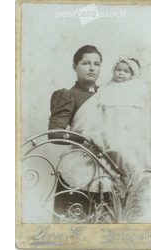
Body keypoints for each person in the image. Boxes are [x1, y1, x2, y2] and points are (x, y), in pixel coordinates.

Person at [70, 56, 151, 222]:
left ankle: (130, 200)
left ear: (132, 75)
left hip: (126, 131)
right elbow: (97, 111)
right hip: (108, 129)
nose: (121, 73)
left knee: (128, 162)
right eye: (118, 70)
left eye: (126, 71)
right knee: (109, 161)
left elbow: (138, 117)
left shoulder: (136, 88)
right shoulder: (107, 88)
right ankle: (112, 202)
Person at [48, 45, 113, 223]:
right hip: (77, 167)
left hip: (105, 167)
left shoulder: (110, 95)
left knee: (105, 226)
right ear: (74, 66)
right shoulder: (67, 95)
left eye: (97, 64)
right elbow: (54, 134)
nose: (92, 68)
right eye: (86, 63)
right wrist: (85, 138)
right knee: (73, 224)